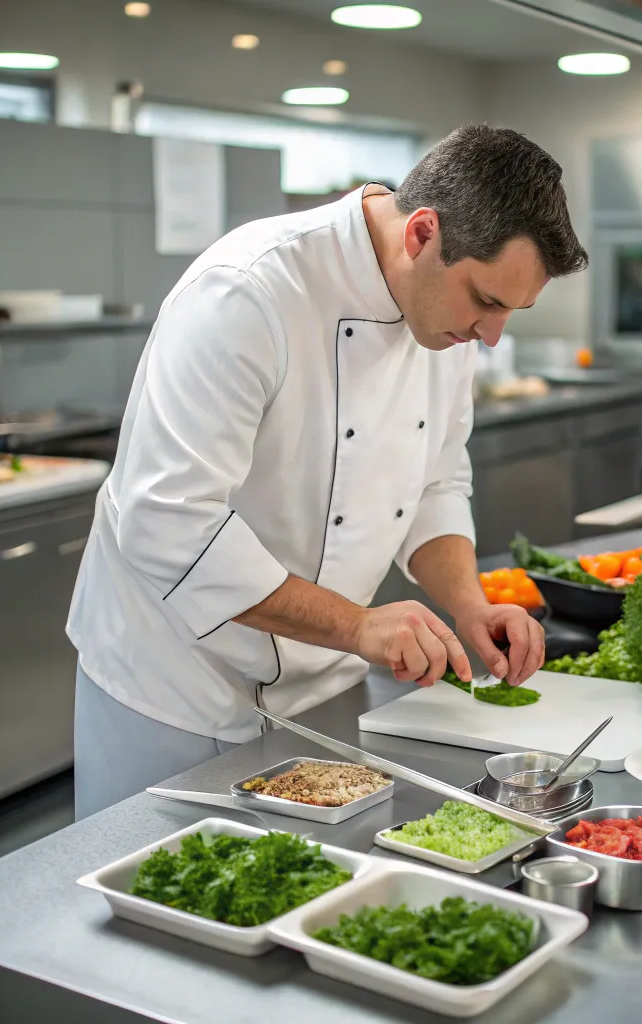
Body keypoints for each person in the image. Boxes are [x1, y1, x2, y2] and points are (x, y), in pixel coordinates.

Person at [67, 123, 588, 819]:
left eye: (511, 312)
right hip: (175, 687)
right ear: (422, 234)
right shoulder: (247, 292)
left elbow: (436, 478)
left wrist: (469, 605)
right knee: (159, 900)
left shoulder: (447, 319)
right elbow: (170, 524)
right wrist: (358, 627)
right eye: (488, 302)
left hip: (323, 685)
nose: (491, 336)